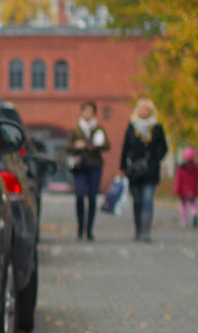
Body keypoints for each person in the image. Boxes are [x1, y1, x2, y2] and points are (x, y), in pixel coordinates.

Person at [119, 98, 169, 242]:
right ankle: (138, 229)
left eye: (146, 109)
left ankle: (146, 232)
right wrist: (123, 166)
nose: (144, 112)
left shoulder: (157, 128)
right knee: (138, 201)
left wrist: (155, 160)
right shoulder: (132, 127)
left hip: (150, 171)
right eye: (142, 109)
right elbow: (125, 147)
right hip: (134, 170)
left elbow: (163, 148)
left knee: (148, 199)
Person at [66, 101, 109, 240]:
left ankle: (89, 229)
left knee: (92, 197)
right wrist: (77, 145)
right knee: (79, 195)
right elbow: (68, 147)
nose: (87, 114)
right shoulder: (76, 129)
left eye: (90, 111)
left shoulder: (98, 129)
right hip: (80, 167)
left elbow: (107, 145)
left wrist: (96, 145)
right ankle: (80, 227)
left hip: (95, 165)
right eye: (85, 111)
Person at [173, 146, 198, 228]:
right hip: (192, 190)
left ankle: (183, 222)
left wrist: (176, 190)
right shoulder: (195, 167)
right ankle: (194, 213)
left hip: (183, 191)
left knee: (183, 206)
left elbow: (178, 181)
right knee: (192, 204)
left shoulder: (181, 168)